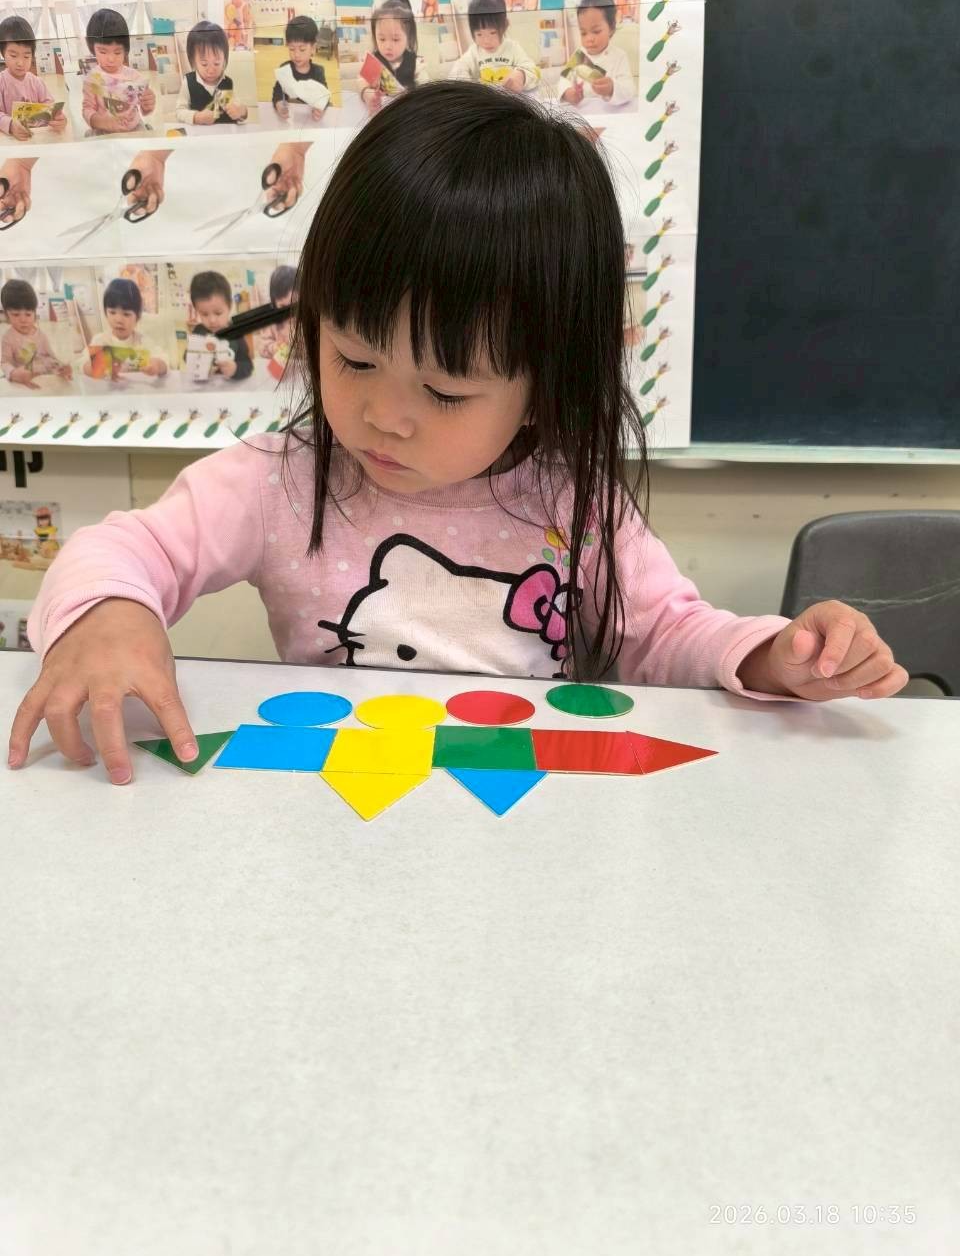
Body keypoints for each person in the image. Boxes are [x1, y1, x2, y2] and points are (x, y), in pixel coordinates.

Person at [8, 82, 907, 783]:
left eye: (444, 392)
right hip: (337, 808)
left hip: (524, 810)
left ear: (544, 385)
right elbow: (125, 550)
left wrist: (775, 657)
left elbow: (667, 634)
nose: (383, 416)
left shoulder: (574, 502)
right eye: (354, 359)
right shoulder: (279, 479)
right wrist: (110, 616)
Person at [81, 8, 156, 134]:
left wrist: (148, 105)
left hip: (134, 127)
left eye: (117, 52)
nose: (111, 59)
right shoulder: (92, 79)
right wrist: (102, 122)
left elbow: (144, 110)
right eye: (103, 51)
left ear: (125, 50)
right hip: (104, 129)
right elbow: (87, 109)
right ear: (92, 48)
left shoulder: (134, 76)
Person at [449, 0, 539, 91]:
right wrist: (461, 81)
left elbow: (533, 70)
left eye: (492, 33)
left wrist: (522, 76)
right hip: (486, 99)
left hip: (510, 98)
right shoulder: (474, 52)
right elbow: (458, 68)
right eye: (479, 34)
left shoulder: (512, 48)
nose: (486, 41)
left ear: (505, 25)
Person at [558, 0, 634, 108]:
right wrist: (568, 93)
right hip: (584, 112)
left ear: (611, 28)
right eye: (583, 33)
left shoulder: (619, 56)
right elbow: (563, 82)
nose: (589, 39)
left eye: (596, 31)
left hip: (610, 112)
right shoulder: (579, 55)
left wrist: (612, 88)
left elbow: (629, 90)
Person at [82, 277, 168, 381]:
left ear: (138, 317)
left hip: (137, 389)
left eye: (126, 314)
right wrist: (95, 367)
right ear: (105, 313)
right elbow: (82, 365)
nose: (119, 320)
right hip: (109, 389)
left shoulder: (143, 341)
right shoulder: (100, 341)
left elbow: (165, 361)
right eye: (112, 312)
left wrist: (157, 365)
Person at [0, 15, 68, 141]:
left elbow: (50, 107)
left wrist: (59, 119)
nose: (20, 63)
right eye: (13, 55)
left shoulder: (37, 82)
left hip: (37, 139)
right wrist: (10, 125)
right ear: (2, 53)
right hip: (11, 142)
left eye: (26, 56)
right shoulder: (1, 82)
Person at [360, 0, 428, 113]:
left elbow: (427, 88)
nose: (388, 46)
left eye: (395, 39)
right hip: (381, 114)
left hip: (406, 115)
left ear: (408, 37)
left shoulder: (416, 64)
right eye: (382, 39)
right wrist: (367, 93)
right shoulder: (374, 60)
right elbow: (362, 80)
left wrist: (414, 94)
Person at [0, 278, 72, 388]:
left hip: (43, 382)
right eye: (16, 314)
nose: (23, 320)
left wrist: (61, 368)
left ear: (35, 312)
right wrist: (13, 373)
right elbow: (5, 363)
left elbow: (51, 358)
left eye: (28, 314)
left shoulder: (41, 335)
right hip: (22, 385)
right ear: (6, 314)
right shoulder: (8, 338)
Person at [175, 19, 247, 125]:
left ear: (224, 59)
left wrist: (241, 112)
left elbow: (239, 111)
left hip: (224, 133)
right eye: (204, 64)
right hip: (199, 133)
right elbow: (179, 112)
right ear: (193, 61)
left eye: (217, 63)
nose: (211, 70)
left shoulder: (227, 82)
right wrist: (196, 117)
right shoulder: (189, 82)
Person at [187, 271, 252, 381]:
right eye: (204, 314)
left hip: (230, 387)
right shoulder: (199, 332)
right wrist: (195, 359)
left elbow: (248, 366)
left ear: (229, 307)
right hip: (205, 387)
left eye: (218, 313)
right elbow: (187, 356)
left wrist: (235, 369)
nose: (212, 320)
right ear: (197, 310)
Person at [271, 15, 330, 120]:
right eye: (291, 49)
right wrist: (279, 104)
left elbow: (324, 96)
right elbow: (278, 92)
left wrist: (321, 109)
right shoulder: (285, 69)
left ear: (313, 48)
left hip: (310, 119)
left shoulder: (318, 72)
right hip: (291, 119)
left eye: (302, 49)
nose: (296, 55)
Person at [255, 264, 296, 360]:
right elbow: (262, 346)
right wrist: (273, 347)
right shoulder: (273, 323)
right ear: (274, 304)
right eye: (283, 307)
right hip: (281, 367)